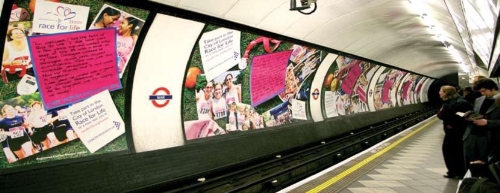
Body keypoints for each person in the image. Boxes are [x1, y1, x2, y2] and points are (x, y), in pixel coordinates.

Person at [463, 78, 500, 177]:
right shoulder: (478, 100)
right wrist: (470, 116)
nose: (482, 93)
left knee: (484, 164)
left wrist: (487, 122)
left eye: (484, 91)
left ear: (493, 88)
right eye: (480, 91)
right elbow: (477, 113)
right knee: (470, 162)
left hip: (489, 138)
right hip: (471, 135)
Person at [437, 85, 472, 179]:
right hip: (451, 131)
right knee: (450, 150)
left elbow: (464, 116)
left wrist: (452, 123)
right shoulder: (449, 102)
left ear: (446, 93)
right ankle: (454, 171)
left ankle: (458, 172)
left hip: (458, 131)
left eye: (441, 91)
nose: (439, 93)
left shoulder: (460, 103)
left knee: (455, 151)